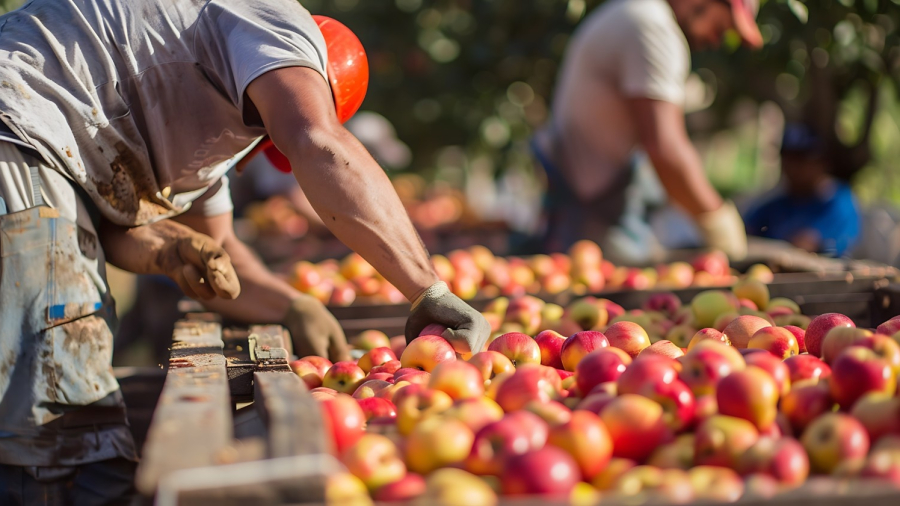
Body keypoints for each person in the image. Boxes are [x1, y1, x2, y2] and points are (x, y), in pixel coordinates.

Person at [0, 1, 489, 503]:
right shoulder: (278, 20)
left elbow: (220, 251)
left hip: (32, 151)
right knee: (55, 415)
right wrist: (424, 287)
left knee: (72, 413)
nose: (263, 140)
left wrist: (290, 305)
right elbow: (317, 139)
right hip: (14, 124)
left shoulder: (210, 134)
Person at [532, 0, 762, 260]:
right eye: (720, 27)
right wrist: (716, 218)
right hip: (591, 204)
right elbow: (665, 148)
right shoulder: (654, 28)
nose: (716, 40)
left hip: (588, 189)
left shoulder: (637, 11)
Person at [744, 124, 862, 257]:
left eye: (801, 159)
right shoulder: (776, 206)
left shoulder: (839, 203)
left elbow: (818, 245)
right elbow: (746, 232)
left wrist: (810, 244)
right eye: (788, 158)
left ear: (822, 163)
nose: (793, 168)